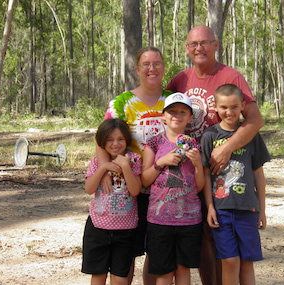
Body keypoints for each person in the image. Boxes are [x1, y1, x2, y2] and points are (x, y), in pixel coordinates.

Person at [166, 25, 264, 284]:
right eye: (193, 44)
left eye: (205, 43)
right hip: (185, 170)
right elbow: (163, 114)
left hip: (223, 172)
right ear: (187, 49)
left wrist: (227, 147)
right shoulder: (179, 80)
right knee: (198, 236)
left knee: (219, 235)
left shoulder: (231, 76)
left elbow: (254, 120)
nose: (199, 48)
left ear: (216, 45)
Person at [97, 46, 173, 284]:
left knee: (157, 251)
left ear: (163, 67)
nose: (152, 68)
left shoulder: (173, 100)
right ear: (137, 69)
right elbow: (102, 139)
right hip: (130, 189)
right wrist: (105, 171)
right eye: (146, 64)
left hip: (166, 189)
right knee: (127, 251)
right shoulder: (122, 103)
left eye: (157, 63)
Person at [201, 84, 270, 285]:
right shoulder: (210, 136)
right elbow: (206, 175)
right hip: (221, 210)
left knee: (248, 261)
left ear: (243, 106)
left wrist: (262, 210)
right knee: (229, 261)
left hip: (247, 209)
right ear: (214, 107)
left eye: (234, 107)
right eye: (223, 107)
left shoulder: (251, 136)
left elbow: (259, 175)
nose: (229, 112)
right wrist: (210, 207)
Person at [142, 92, 205, 285]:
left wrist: (198, 165)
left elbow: (200, 186)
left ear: (190, 117)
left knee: (183, 270)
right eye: (171, 111)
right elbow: (144, 180)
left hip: (189, 219)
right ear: (163, 116)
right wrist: (162, 162)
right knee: (164, 273)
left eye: (183, 112)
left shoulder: (194, 145)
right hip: (159, 220)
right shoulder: (154, 143)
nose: (176, 115)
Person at [82, 118, 142, 285]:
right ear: (102, 141)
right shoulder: (97, 161)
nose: (115, 144)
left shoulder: (134, 159)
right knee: (98, 275)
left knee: (120, 278)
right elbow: (89, 189)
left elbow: (135, 190)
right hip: (98, 228)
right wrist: (103, 168)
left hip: (125, 229)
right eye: (110, 139)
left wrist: (126, 167)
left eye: (120, 139)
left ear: (127, 140)